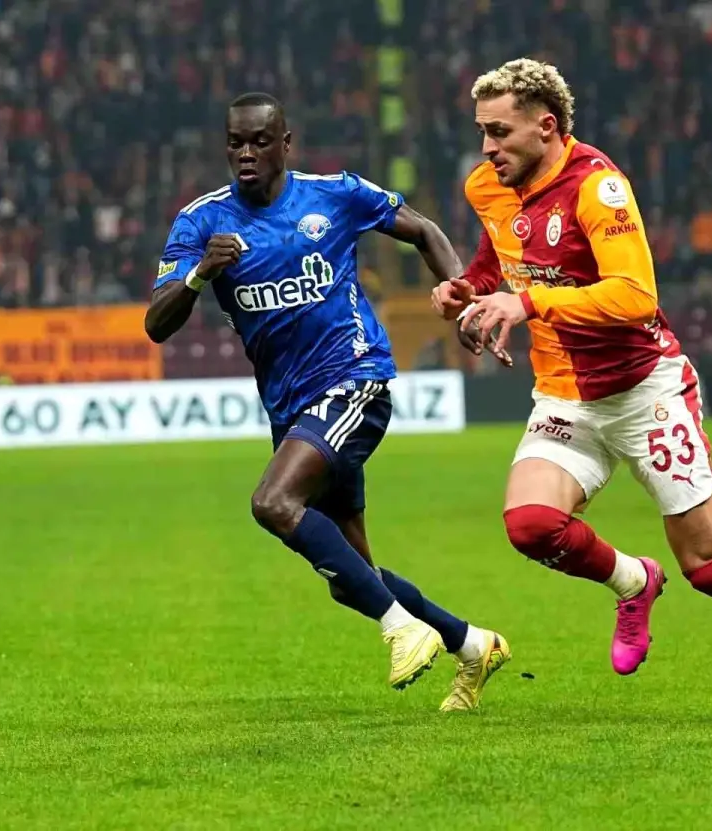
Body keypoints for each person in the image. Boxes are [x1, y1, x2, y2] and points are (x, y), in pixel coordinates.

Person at [434, 60, 712, 725]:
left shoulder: (598, 188)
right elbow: (500, 253)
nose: (486, 148)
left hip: (644, 392)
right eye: (482, 131)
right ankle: (634, 580)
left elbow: (633, 296)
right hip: (565, 394)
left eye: (499, 132)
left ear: (546, 127)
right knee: (530, 525)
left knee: (709, 566)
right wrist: (470, 288)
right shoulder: (489, 185)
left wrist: (526, 303)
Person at [145, 93, 509, 711]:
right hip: (292, 408)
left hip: (355, 379)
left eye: (260, 141)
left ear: (286, 144)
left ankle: (402, 629)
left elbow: (423, 230)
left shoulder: (336, 194)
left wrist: (464, 300)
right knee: (354, 579)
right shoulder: (201, 222)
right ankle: (473, 644)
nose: (246, 153)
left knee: (272, 502)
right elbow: (157, 324)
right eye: (235, 142)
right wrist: (200, 274)